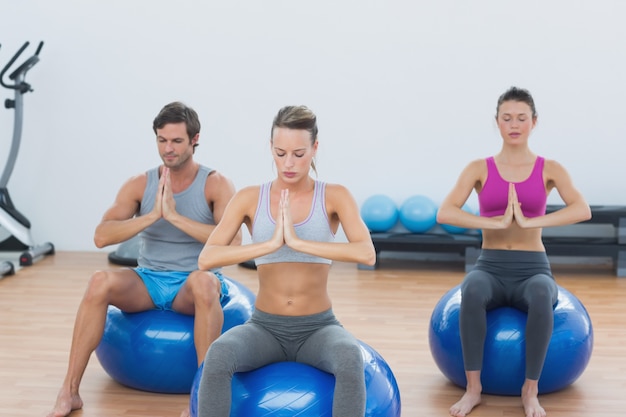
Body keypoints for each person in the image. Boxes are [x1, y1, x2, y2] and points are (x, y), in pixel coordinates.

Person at [46, 101, 240, 417]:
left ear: (195, 139)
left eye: (177, 141)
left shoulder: (215, 183)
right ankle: (69, 391)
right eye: (162, 140)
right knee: (99, 281)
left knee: (205, 282)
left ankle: (203, 398)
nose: (168, 148)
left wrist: (175, 217)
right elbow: (101, 236)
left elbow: (233, 242)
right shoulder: (141, 183)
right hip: (149, 280)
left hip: (192, 283)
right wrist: (151, 216)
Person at [195, 105, 376, 417]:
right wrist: (268, 245)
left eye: (298, 153)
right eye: (280, 153)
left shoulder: (334, 195)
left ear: (315, 148)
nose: (288, 163)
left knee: (349, 358)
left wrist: (298, 242)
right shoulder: (251, 197)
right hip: (265, 327)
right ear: (271, 148)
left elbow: (366, 253)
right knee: (219, 354)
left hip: (318, 327)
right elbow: (207, 257)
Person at [436, 86, 591, 417]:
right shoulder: (479, 167)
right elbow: (445, 212)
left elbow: (582, 209)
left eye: (522, 117)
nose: (514, 123)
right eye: (507, 118)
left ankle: (530, 390)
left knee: (540, 294)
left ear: (534, 122)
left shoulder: (550, 168)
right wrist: (493, 223)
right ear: (497, 122)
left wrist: (535, 220)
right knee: (472, 288)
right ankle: (473, 388)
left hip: (532, 268)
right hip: (490, 265)